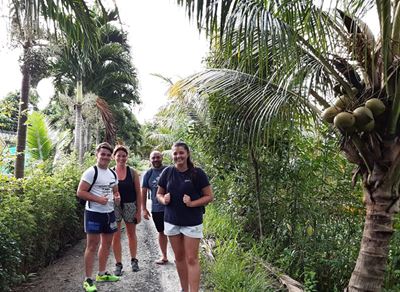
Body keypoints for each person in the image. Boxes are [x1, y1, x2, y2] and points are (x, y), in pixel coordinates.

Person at [156, 142, 214, 292]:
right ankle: (184, 289)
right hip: (171, 221)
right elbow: (158, 194)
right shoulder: (167, 172)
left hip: (191, 222)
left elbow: (209, 196)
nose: (178, 156)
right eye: (175, 153)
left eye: (181, 153)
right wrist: (164, 200)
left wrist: (192, 203)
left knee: (192, 259)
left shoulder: (197, 173)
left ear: (187, 154)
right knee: (179, 259)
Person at [77, 142, 121, 292]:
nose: (105, 157)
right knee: (92, 246)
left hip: (109, 213)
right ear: (97, 155)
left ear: (111, 157)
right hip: (93, 213)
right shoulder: (91, 172)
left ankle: (101, 274)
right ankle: (88, 279)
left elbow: (115, 191)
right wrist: (97, 199)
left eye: (108, 155)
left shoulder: (113, 173)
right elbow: (80, 192)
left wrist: (117, 197)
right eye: (103, 154)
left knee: (107, 244)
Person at [111, 145, 141, 276]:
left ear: (127, 157)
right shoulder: (110, 172)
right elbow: (106, 190)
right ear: (114, 157)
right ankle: (118, 264)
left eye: (124, 156)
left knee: (131, 234)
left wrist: (139, 211)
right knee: (115, 236)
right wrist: (113, 197)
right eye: (119, 155)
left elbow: (138, 192)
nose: (121, 158)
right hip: (115, 206)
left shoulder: (132, 172)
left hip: (130, 205)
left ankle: (134, 260)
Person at [141, 150, 169, 265]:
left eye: (158, 157)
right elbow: (143, 191)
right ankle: (164, 256)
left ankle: (180, 257)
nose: (156, 160)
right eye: (153, 158)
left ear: (162, 158)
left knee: (176, 233)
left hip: (172, 208)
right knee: (161, 232)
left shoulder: (169, 170)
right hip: (157, 209)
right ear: (150, 159)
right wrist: (144, 208)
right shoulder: (148, 173)